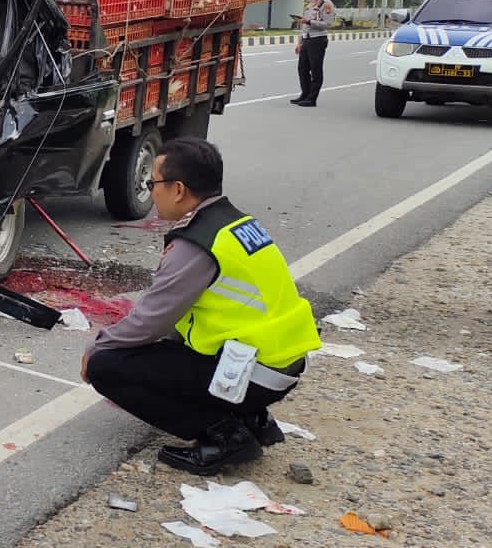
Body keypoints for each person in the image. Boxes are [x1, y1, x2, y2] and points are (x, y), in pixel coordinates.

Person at [81, 137, 320, 475]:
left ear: (178, 189)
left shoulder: (196, 245)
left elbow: (150, 321)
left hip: (253, 373)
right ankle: (249, 417)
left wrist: (96, 347)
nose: (150, 192)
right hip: (279, 364)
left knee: (107, 366)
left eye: (153, 183)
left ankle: (224, 436)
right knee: (160, 351)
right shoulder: (236, 224)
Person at [291, 0, 335, 107]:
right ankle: (305, 94)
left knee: (316, 70)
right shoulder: (310, 4)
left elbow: (327, 24)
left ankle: (312, 98)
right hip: (307, 39)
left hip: (318, 40)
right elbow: (304, 25)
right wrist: (300, 42)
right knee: (302, 69)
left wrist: (309, 21)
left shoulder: (327, 4)